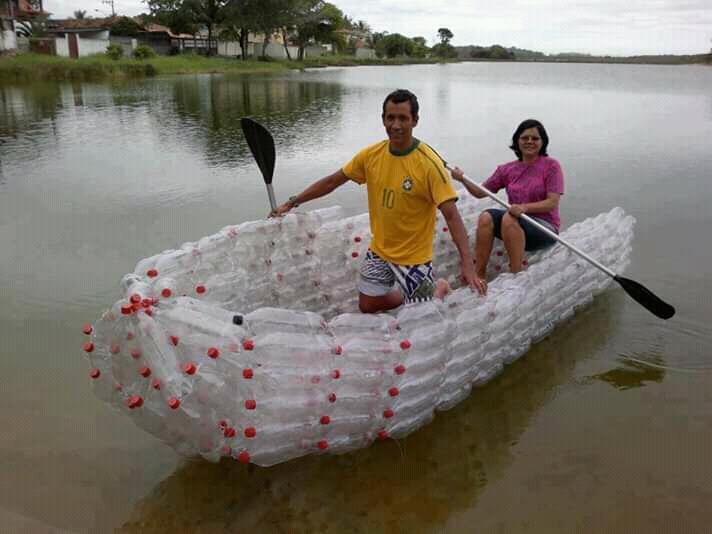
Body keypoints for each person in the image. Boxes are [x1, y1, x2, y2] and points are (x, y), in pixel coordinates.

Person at [271, 89, 484, 313]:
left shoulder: (429, 165)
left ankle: (436, 289)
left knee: (422, 317)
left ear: (415, 120)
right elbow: (332, 181)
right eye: (390, 117)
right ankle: (411, 294)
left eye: (403, 118)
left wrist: (468, 265)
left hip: (414, 258)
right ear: (383, 119)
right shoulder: (371, 155)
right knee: (368, 305)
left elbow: (452, 215)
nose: (396, 125)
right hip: (380, 250)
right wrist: (292, 202)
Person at [450, 119, 564, 282]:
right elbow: (480, 192)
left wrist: (524, 208)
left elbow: (552, 202)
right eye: (525, 138)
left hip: (544, 227)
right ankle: (479, 274)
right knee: (486, 216)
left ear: (542, 142)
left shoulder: (551, 166)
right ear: (517, 141)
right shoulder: (506, 169)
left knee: (509, 217)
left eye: (535, 138)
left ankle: (515, 275)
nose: (529, 142)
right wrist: (462, 179)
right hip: (515, 221)